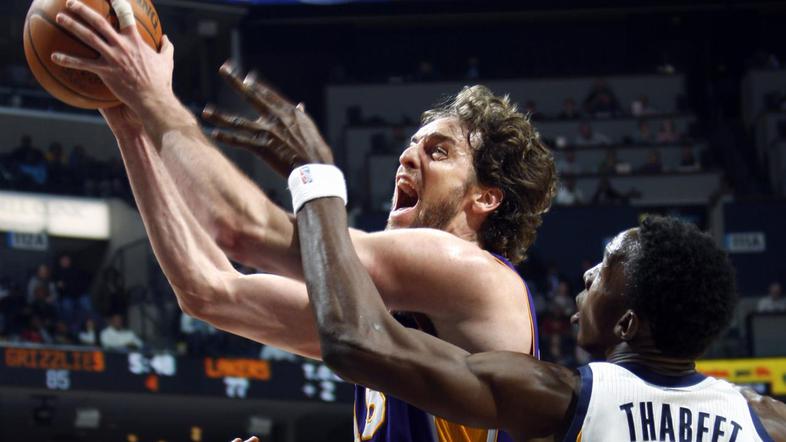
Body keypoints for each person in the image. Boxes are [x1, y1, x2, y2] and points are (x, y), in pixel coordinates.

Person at [52, 3, 556, 440]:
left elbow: (240, 229)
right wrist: (129, 123)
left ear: (485, 198)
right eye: (411, 145)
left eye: (438, 152)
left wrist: (153, 97)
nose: (407, 158)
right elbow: (208, 291)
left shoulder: (473, 273)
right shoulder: (372, 324)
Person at [288, 152, 786, 442]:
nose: (588, 274)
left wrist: (315, 181)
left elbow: (353, 341)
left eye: (606, 268)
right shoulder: (763, 418)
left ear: (628, 324)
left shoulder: (559, 397)